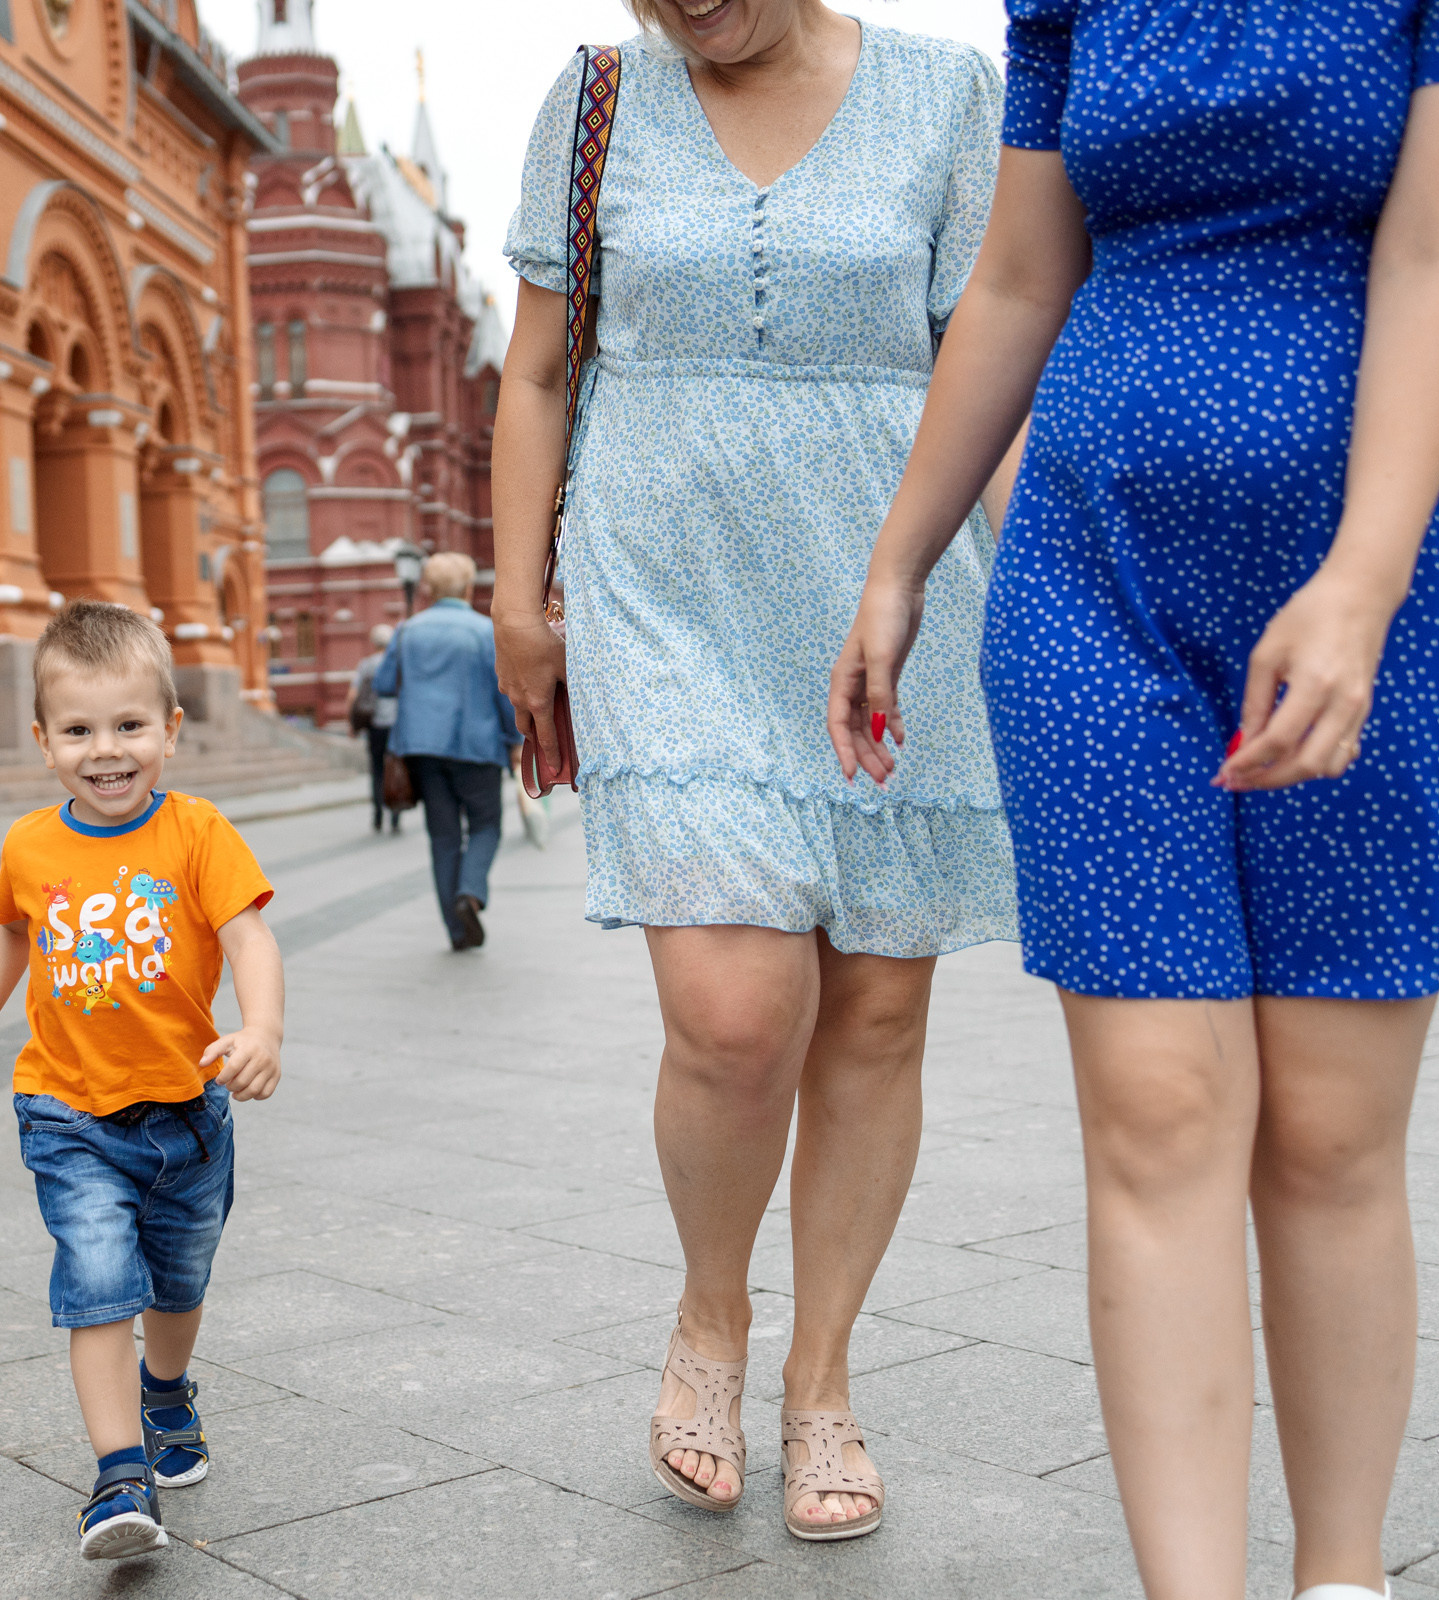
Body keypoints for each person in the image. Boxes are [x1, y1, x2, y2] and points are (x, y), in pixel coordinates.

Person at [828, 7, 1439, 1598]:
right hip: (1095, 571)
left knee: (1328, 1131)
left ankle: (1342, 1577)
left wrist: (1361, 582)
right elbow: (1021, 275)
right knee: (1160, 1111)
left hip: (1369, 564)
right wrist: (901, 560)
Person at [494, 0, 1019, 1537]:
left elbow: (992, 359)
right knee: (735, 1016)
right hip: (666, 598)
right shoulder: (597, 100)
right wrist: (518, 604)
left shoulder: (948, 96)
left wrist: (1031, 594)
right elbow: (536, 374)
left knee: (877, 1009)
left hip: (897, 592)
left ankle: (823, 1376)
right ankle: (710, 1314)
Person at [0, 601, 285, 1563]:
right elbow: (8, 929)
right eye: (79, 731)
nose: (106, 751)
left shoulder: (198, 832)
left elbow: (249, 937)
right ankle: (119, 1475)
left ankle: (165, 1393)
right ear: (43, 742)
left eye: (129, 725)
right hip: (68, 1111)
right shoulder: (29, 844)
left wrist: (261, 1027)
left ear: (170, 730)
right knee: (96, 1279)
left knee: (179, 1281)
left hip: (187, 1114)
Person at [377, 551, 520, 951]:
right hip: (477, 745)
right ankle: (470, 892)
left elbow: (384, 684)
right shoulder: (484, 631)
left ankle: (457, 933)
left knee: (443, 838)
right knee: (486, 826)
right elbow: (504, 691)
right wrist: (515, 740)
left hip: (422, 748)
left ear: (429, 590)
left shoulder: (407, 631)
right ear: (468, 588)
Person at [347, 623, 401, 833]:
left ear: (373, 643)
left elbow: (352, 695)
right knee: (395, 769)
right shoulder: (397, 664)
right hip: (396, 726)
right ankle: (395, 815)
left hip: (375, 726)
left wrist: (352, 724)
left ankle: (378, 815)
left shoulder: (366, 665)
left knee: (377, 770)